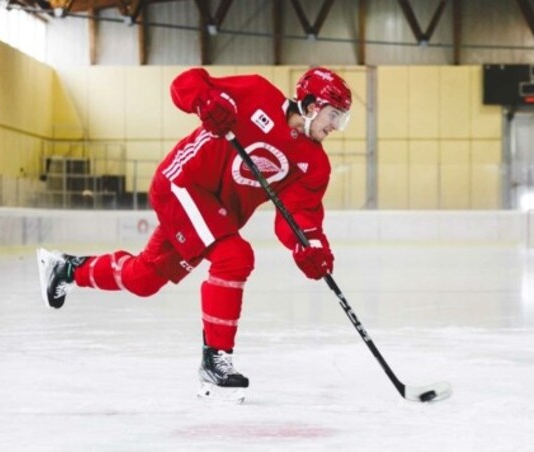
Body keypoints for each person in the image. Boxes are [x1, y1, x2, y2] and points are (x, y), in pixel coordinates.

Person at [37, 66, 352, 401]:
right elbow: (185, 83)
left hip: (215, 214)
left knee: (145, 279)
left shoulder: (314, 164)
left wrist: (311, 247)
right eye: (333, 115)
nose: (335, 126)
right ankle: (215, 360)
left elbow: (300, 215)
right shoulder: (257, 93)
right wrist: (206, 101)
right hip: (182, 184)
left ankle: (67, 269)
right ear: (310, 103)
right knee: (235, 257)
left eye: (341, 119)